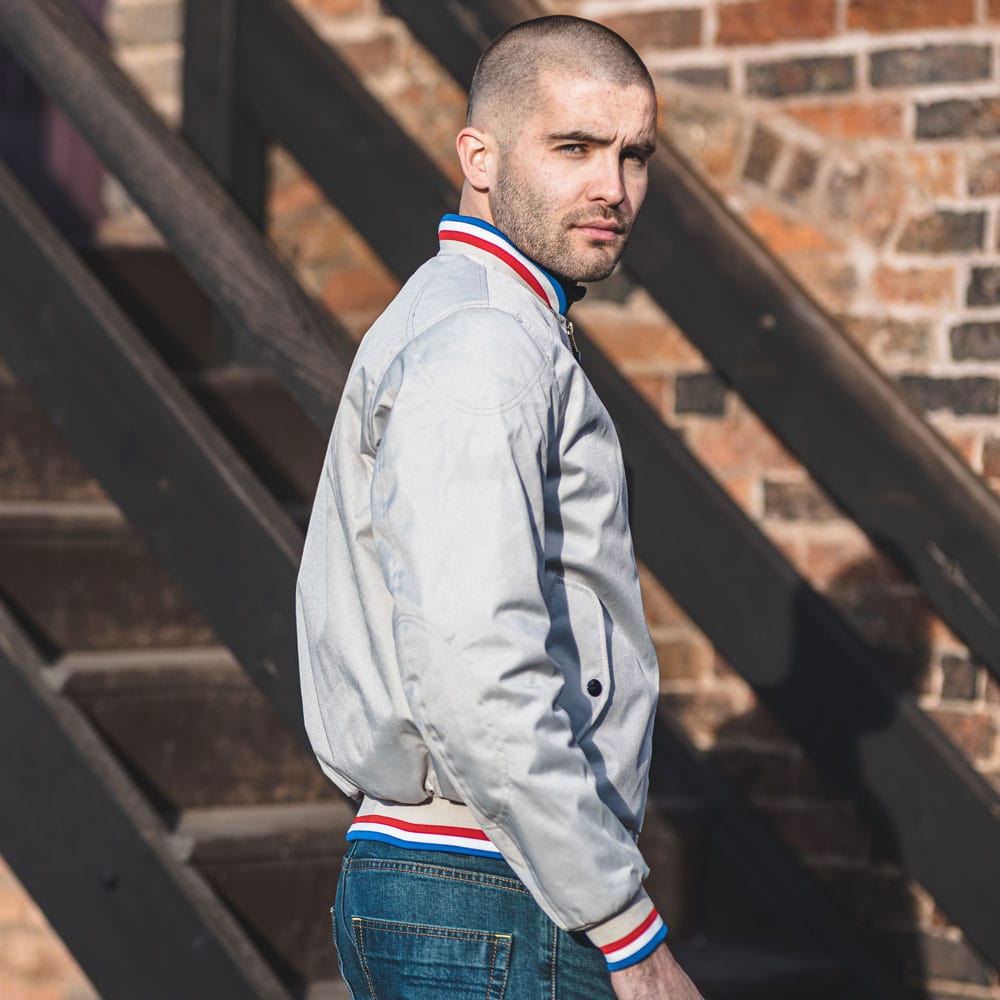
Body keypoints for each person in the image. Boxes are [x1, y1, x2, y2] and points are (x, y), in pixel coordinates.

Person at [296, 15, 704, 999]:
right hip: (490, 883)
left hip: (468, 879)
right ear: (477, 157)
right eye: (573, 147)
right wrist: (626, 926)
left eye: (633, 154)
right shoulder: (483, 345)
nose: (611, 187)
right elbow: (475, 665)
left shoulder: (485, 322)